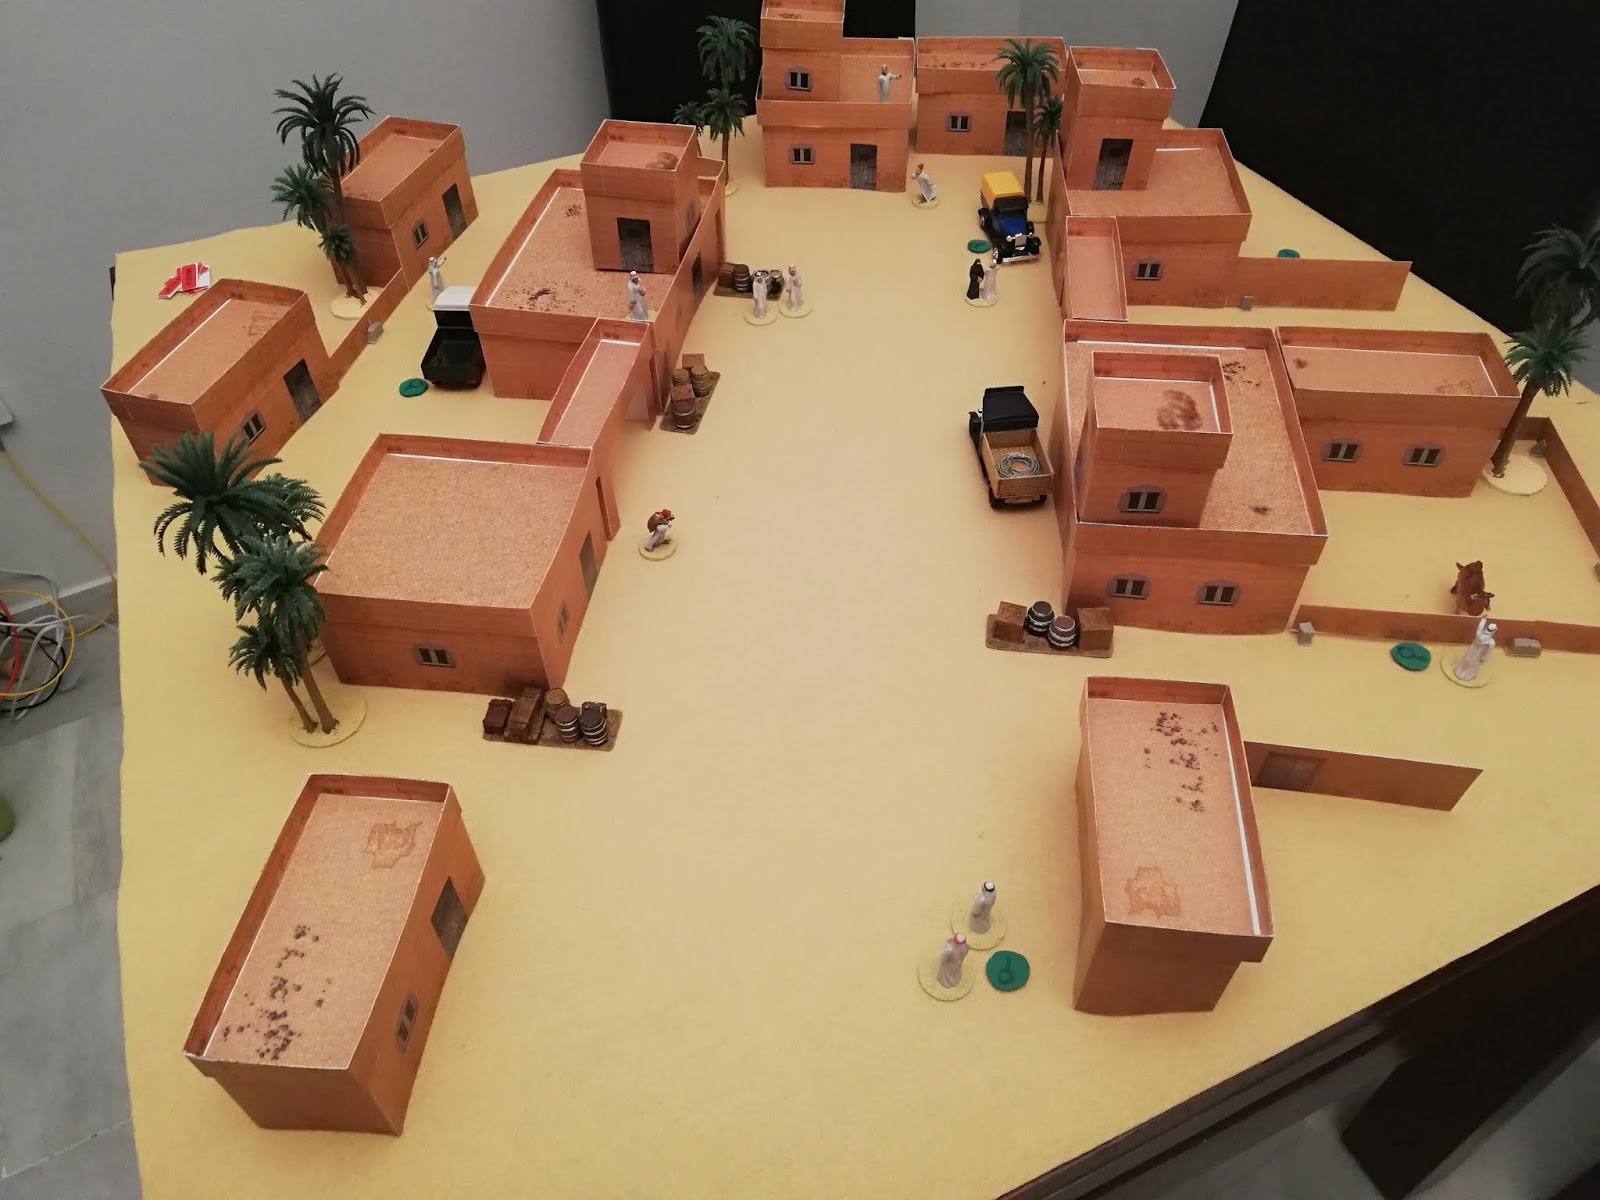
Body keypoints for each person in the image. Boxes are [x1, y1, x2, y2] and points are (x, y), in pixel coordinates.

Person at [1454, 617, 1497, 683]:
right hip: (1478, 655)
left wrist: (1483, 619)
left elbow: (1480, 627)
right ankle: (1467, 675)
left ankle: (1459, 671)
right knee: (1473, 665)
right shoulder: (1491, 642)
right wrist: (1484, 658)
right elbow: (1488, 652)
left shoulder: (1479, 634)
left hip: (1472, 650)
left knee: (1467, 660)